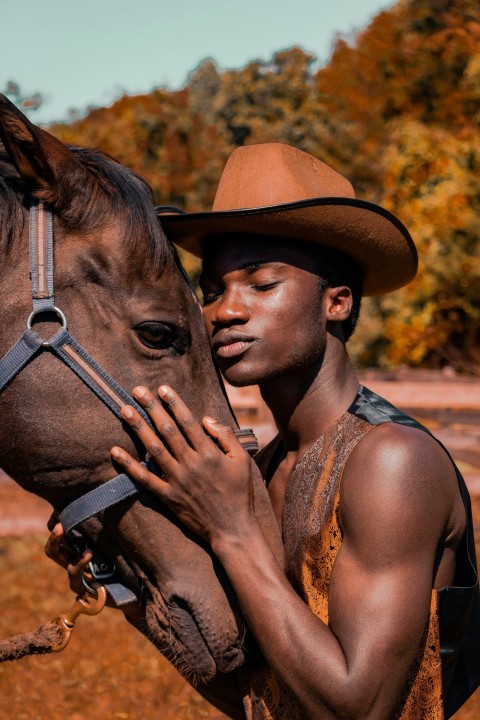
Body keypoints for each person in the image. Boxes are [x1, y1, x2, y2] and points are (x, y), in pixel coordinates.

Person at [47, 144, 479, 719]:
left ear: (337, 303)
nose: (225, 310)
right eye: (213, 290)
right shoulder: (265, 464)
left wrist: (231, 529)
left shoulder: (391, 461)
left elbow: (358, 709)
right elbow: (261, 695)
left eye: (261, 284)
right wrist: (124, 587)